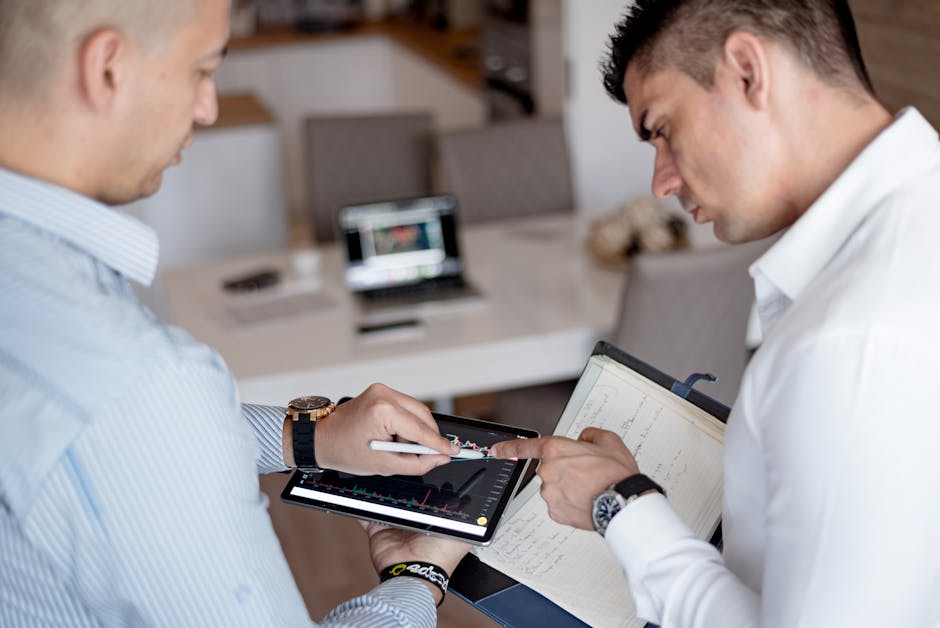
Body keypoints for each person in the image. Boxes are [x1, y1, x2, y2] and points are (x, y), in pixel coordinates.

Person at [0, 0, 470, 625]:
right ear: (107, 67)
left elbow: (125, 446)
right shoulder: (140, 384)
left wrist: (311, 436)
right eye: (201, 70)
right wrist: (417, 577)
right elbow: (137, 422)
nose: (208, 107)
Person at [492, 0, 940, 625]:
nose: (661, 183)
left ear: (747, 71)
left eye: (662, 129)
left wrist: (618, 505)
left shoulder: (849, 343)